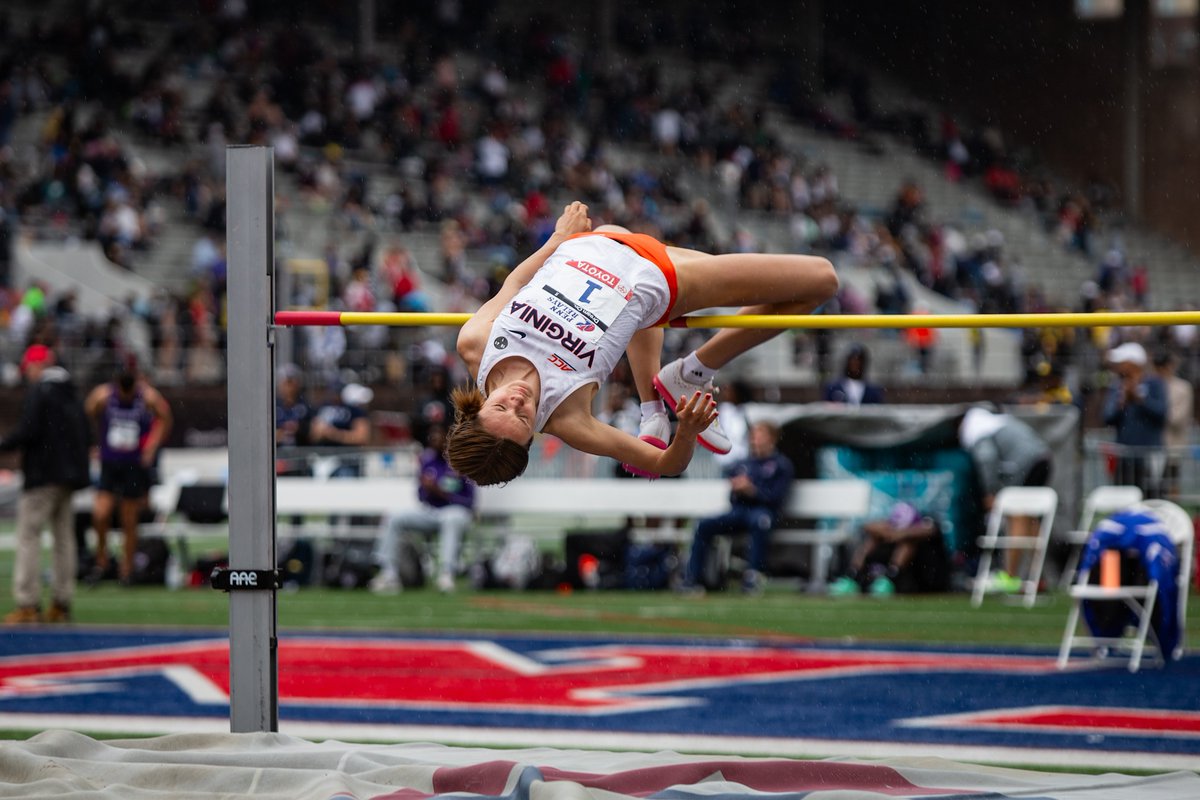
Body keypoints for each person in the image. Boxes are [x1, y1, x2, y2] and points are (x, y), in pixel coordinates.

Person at [446, 201, 837, 485]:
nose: (518, 400)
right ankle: (693, 370)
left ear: (477, 407)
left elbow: (513, 284)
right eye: (523, 418)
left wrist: (558, 239)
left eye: (502, 406)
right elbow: (666, 464)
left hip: (600, 242)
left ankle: (657, 402)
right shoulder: (569, 418)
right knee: (821, 280)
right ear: (532, 436)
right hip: (662, 275)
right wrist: (685, 432)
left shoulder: (477, 343)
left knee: (625, 316)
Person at [1, 345, 91, 623]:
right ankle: (61, 603)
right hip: (69, 477)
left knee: (29, 535)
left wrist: (4, 445)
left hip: (42, 476)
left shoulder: (41, 391)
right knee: (64, 539)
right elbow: (87, 433)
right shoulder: (72, 392)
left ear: (37, 365)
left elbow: (28, 430)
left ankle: (28, 602)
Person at [679, 421, 795, 595]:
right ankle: (693, 579)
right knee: (703, 525)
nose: (755, 439)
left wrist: (753, 491)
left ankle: (752, 577)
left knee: (760, 522)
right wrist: (737, 489)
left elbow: (776, 498)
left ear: (772, 439)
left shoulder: (781, 465)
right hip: (739, 512)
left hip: (764, 512)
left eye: (759, 435)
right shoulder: (743, 463)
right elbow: (732, 497)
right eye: (754, 435)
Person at [86, 360, 172, 585]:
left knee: (128, 519)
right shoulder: (104, 396)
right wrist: (93, 443)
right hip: (110, 463)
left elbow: (165, 417)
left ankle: (127, 568)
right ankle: (102, 560)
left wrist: (151, 447)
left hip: (133, 464)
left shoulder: (146, 397)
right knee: (101, 513)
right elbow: (87, 413)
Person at [369, 424, 475, 594]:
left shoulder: (461, 460)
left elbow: (470, 500)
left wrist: (441, 492)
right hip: (431, 512)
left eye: (438, 436)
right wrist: (427, 490)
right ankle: (388, 573)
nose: (434, 440)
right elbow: (420, 497)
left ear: (448, 438)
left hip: (456, 511)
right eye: (432, 437)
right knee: (395, 517)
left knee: (452, 519)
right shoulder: (427, 461)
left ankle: (446, 573)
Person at [958, 405, 1052, 591]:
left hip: (1024, 464)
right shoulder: (995, 422)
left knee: (1016, 515)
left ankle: (1010, 576)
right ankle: (1037, 576)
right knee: (1030, 519)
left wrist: (990, 492)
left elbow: (987, 458)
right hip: (1043, 458)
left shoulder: (976, 429)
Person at [828, 501, 948, 597]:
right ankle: (852, 576)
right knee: (872, 539)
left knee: (907, 543)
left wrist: (898, 533)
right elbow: (867, 526)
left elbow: (925, 531)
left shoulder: (927, 528)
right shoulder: (890, 528)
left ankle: (890, 579)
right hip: (903, 573)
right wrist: (891, 532)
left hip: (925, 579)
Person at [1103, 342, 1167, 497]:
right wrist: (1122, 403)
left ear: (1133, 363)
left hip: (1149, 454)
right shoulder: (1117, 386)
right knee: (1123, 500)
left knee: (1151, 500)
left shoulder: (1154, 384)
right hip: (1124, 456)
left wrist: (1139, 399)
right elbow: (1107, 417)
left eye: (1122, 361)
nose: (1118, 365)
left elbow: (1162, 414)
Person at [1153, 349, 1193, 498]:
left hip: (1172, 446)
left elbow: (1178, 418)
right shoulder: (1152, 384)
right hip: (1152, 445)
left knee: (1171, 485)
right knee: (1152, 486)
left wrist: (1153, 409)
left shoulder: (1182, 388)